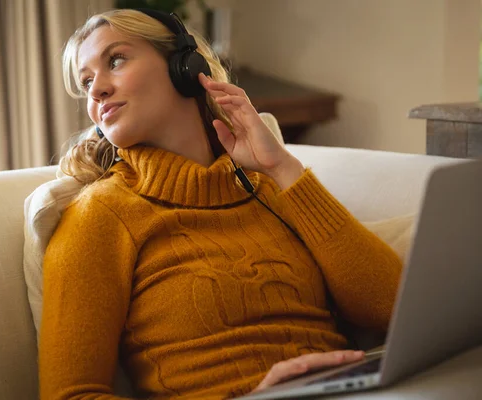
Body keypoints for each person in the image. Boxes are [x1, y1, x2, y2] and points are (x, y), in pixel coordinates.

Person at [39, 8, 402, 400]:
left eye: (116, 60)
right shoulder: (100, 216)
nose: (97, 91)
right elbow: (71, 395)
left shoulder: (266, 187)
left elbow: (395, 308)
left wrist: (283, 167)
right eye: (87, 80)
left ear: (184, 65)